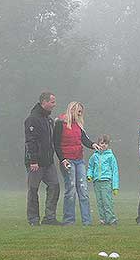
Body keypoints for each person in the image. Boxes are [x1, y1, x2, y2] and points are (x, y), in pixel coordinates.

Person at [54, 101, 101, 226]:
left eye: (81, 112)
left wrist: (92, 145)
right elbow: (56, 143)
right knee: (71, 189)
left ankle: (87, 221)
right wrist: (62, 159)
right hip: (67, 160)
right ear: (72, 110)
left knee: (83, 190)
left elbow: (84, 139)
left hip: (79, 160)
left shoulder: (79, 125)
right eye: (78, 111)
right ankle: (69, 220)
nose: (80, 114)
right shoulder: (60, 123)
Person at [24, 92, 61, 226]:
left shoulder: (49, 120)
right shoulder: (32, 119)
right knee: (33, 190)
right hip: (36, 163)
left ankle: (49, 218)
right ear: (43, 102)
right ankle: (33, 219)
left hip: (48, 162)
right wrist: (33, 160)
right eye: (52, 102)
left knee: (54, 186)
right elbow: (30, 141)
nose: (54, 104)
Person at [87, 134, 119, 225]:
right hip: (97, 182)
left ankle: (111, 219)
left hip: (106, 182)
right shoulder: (94, 156)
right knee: (100, 202)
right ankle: (103, 219)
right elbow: (90, 167)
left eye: (106, 143)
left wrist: (115, 187)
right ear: (98, 144)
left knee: (107, 201)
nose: (104, 145)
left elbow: (115, 171)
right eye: (102, 143)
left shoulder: (110, 156)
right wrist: (89, 175)